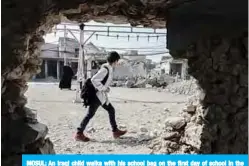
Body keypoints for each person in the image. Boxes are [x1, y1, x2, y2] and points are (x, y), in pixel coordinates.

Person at [75, 51, 127, 142]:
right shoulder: (105, 69)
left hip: (101, 96)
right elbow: (94, 79)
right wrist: (103, 88)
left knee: (111, 110)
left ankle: (115, 131)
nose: (117, 63)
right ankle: (79, 133)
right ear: (114, 60)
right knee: (90, 114)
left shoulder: (109, 68)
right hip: (97, 96)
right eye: (117, 61)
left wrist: (105, 88)